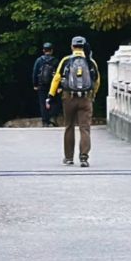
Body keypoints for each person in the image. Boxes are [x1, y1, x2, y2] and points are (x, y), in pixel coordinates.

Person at [48, 35, 101, 166]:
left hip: (68, 97)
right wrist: (92, 94)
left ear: (72, 46)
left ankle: (69, 157)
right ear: (84, 47)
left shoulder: (66, 60)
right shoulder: (90, 61)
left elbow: (57, 78)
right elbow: (97, 81)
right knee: (85, 128)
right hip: (86, 98)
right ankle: (84, 157)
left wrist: (51, 94)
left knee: (69, 127)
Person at [31, 42, 58, 127]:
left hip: (41, 85)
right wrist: (59, 86)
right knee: (53, 101)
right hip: (53, 85)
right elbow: (58, 74)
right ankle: (52, 118)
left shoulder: (39, 60)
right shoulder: (55, 60)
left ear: (43, 50)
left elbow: (35, 73)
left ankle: (45, 121)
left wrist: (35, 84)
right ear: (52, 50)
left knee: (43, 103)